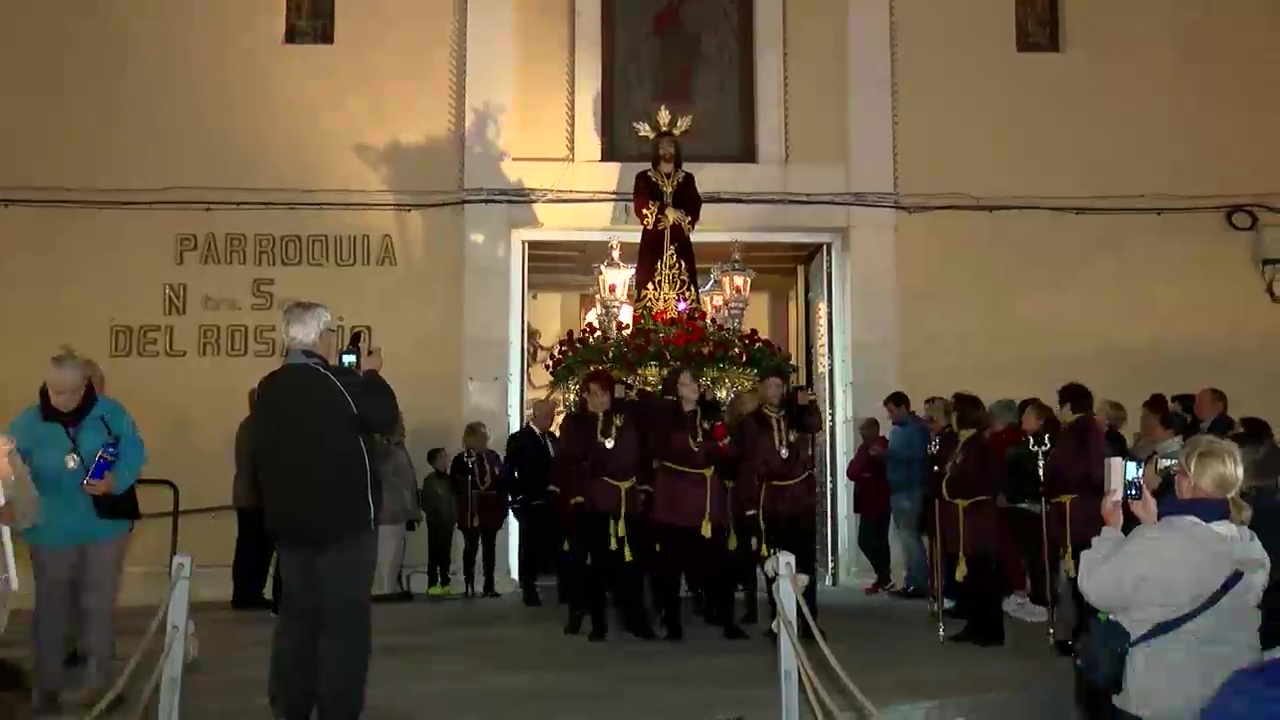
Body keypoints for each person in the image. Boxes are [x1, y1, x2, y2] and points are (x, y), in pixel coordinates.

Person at [251, 301, 400, 720]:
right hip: (344, 525)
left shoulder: (269, 385)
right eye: (331, 333)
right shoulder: (342, 384)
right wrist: (370, 373)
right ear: (321, 336)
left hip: (291, 525)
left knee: (297, 622)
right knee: (344, 628)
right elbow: (384, 417)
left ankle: (290, 707)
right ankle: (337, 710)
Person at [1078, 435, 1268, 719]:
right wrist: (1152, 525)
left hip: (1163, 695)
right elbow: (1192, 562)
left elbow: (1096, 588)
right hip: (1231, 691)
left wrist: (1112, 531)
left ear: (1187, 482)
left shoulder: (1159, 540)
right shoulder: (1249, 544)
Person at [7, 347, 146, 715]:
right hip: (50, 529)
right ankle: (46, 687)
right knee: (51, 609)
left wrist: (115, 480)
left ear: (85, 385)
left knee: (98, 606)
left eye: (68, 391)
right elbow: (8, 467)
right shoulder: (28, 422)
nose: (60, 399)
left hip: (103, 527)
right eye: (54, 391)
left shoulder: (110, 414)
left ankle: (99, 685)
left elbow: (134, 452)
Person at [554, 370, 653, 641]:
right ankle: (597, 622)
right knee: (595, 567)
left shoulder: (626, 418)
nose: (599, 400)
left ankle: (635, 620)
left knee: (631, 566)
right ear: (584, 396)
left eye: (604, 393)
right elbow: (568, 461)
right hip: (593, 503)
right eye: (593, 394)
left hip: (626, 503)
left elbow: (641, 449)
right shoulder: (575, 424)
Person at [649, 366, 743, 641]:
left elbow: (729, 452)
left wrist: (719, 441)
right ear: (676, 389)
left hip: (705, 504)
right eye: (687, 383)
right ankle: (672, 623)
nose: (693, 387)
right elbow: (671, 450)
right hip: (674, 503)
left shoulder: (711, 417)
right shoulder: (665, 418)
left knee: (719, 564)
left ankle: (727, 620)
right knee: (669, 566)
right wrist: (704, 452)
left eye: (695, 382)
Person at [739, 369, 823, 638]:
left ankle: (809, 619)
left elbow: (815, 425)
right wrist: (750, 506)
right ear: (761, 390)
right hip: (772, 500)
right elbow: (748, 465)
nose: (775, 391)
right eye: (770, 386)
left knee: (805, 562)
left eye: (779, 386)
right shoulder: (751, 422)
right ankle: (780, 619)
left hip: (800, 499)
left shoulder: (795, 417)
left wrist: (807, 403)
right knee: (775, 563)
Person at [1043, 381, 1106, 656]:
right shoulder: (1082, 431)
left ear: (1068, 405)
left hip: (1078, 515)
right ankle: (1078, 631)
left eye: (1060, 406)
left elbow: (1084, 472)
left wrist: (1053, 478)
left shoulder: (1082, 431)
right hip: (1076, 512)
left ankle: (1083, 633)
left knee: (1079, 576)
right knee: (1074, 576)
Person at [937, 393, 1004, 647]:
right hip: (966, 518)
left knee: (983, 573)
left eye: (954, 411)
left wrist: (952, 483)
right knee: (973, 575)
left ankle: (988, 629)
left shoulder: (979, 445)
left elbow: (977, 480)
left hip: (977, 518)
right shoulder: (965, 443)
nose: (951, 416)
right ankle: (975, 623)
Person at [631, 106, 702, 317]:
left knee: (685, 299)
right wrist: (665, 210)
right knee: (649, 291)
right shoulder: (644, 178)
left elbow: (694, 207)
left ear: (676, 150)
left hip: (679, 247)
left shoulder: (687, 180)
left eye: (670, 146)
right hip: (653, 245)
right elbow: (641, 202)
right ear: (656, 151)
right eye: (662, 146)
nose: (666, 150)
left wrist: (676, 219)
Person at [503, 399, 560, 607]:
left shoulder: (552, 439)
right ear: (535, 415)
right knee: (530, 546)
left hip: (551, 501)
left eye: (552, 415)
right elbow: (510, 471)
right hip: (530, 500)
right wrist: (517, 496)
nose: (550, 419)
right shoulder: (520, 439)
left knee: (551, 543)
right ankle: (529, 588)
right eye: (546, 415)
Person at [882, 391, 931, 599]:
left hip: (911, 490)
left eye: (892, 411)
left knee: (911, 539)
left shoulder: (917, 429)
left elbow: (920, 456)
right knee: (906, 538)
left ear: (903, 408)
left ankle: (919, 583)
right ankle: (912, 579)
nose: (890, 416)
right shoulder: (900, 430)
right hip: (899, 489)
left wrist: (892, 455)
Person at [232, 388, 276, 611]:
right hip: (257, 498)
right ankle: (250, 593)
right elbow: (262, 465)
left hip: (245, 496)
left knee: (246, 547)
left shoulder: (246, 426)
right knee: (258, 549)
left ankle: (243, 593)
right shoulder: (262, 428)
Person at [451, 422, 506, 598]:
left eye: (485, 437)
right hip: (471, 507)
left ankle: (489, 585)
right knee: (471, 546)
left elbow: (501, 480)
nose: (484, 440)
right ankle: (469, 583)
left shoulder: (493, 457)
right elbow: (456, 485)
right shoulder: (462, 460)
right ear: (469, 438)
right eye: (479, 437)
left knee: (490, 547)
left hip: (491, 507)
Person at [371, 416, 421, 601]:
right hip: (389, 510)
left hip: (394, 510)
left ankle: (387, 586)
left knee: (392, 554)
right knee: (387, 554)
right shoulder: (386, 452)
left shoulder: (394, 451)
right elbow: (404, 483)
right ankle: (383, 588)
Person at [725, 390, 761, 624]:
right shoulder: (759, 425)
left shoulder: (743, 427)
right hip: (756, 495)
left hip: (747, 496)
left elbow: (732, 460)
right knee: (754, 553)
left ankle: (751, 606)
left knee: (746, 554)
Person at [847, 418, 891, 594]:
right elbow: (852, 472)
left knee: (872, 540)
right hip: (867, 501)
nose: (861, 434)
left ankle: (884, 576)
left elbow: (864, 469)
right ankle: (883, 577)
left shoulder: (881, 447)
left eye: (864, 430)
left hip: (879, 501)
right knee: (870, 540)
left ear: (874, 429)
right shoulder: (864, 449)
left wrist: (865, 471)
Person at [420, 448, 458, 596]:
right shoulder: (430, 481)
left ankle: (445, 582)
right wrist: (435, 515)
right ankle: (432, 583)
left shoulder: (450, 480)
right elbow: (427, 503)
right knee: (435, 553)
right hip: (436, 523)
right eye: (442, 457)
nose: (445, 460)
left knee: (446, 554)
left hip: (448, 523)